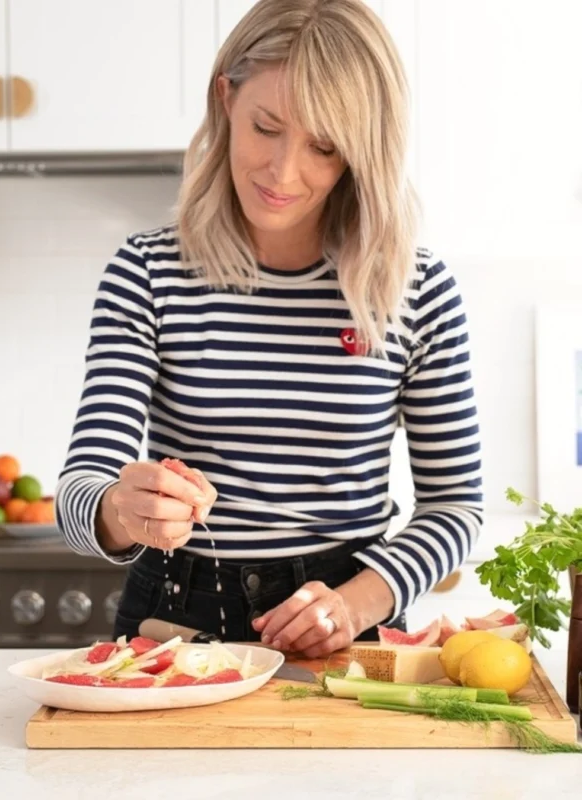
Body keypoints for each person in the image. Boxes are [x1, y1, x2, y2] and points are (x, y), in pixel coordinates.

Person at [56, 0, 483, 658]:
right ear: (225, 100)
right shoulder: (147, 272)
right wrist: (122, 509)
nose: (285, 172)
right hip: (173, 616)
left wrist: (358, 600)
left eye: (324, 146)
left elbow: (455, 506)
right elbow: (80, 489)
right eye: (267, 127)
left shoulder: (415, 288)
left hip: (344, 621)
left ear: (361, 153)